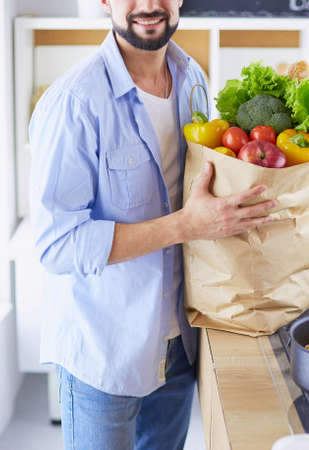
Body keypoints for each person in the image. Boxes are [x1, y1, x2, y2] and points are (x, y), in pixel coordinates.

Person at [29, 1, 277, 449]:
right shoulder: (74, 103)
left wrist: (284, 210)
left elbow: (205, 194)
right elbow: (57, 245)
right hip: (104, 355)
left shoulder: (193, 79)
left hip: (178, 345)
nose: (147, 5)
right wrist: (183, 225)